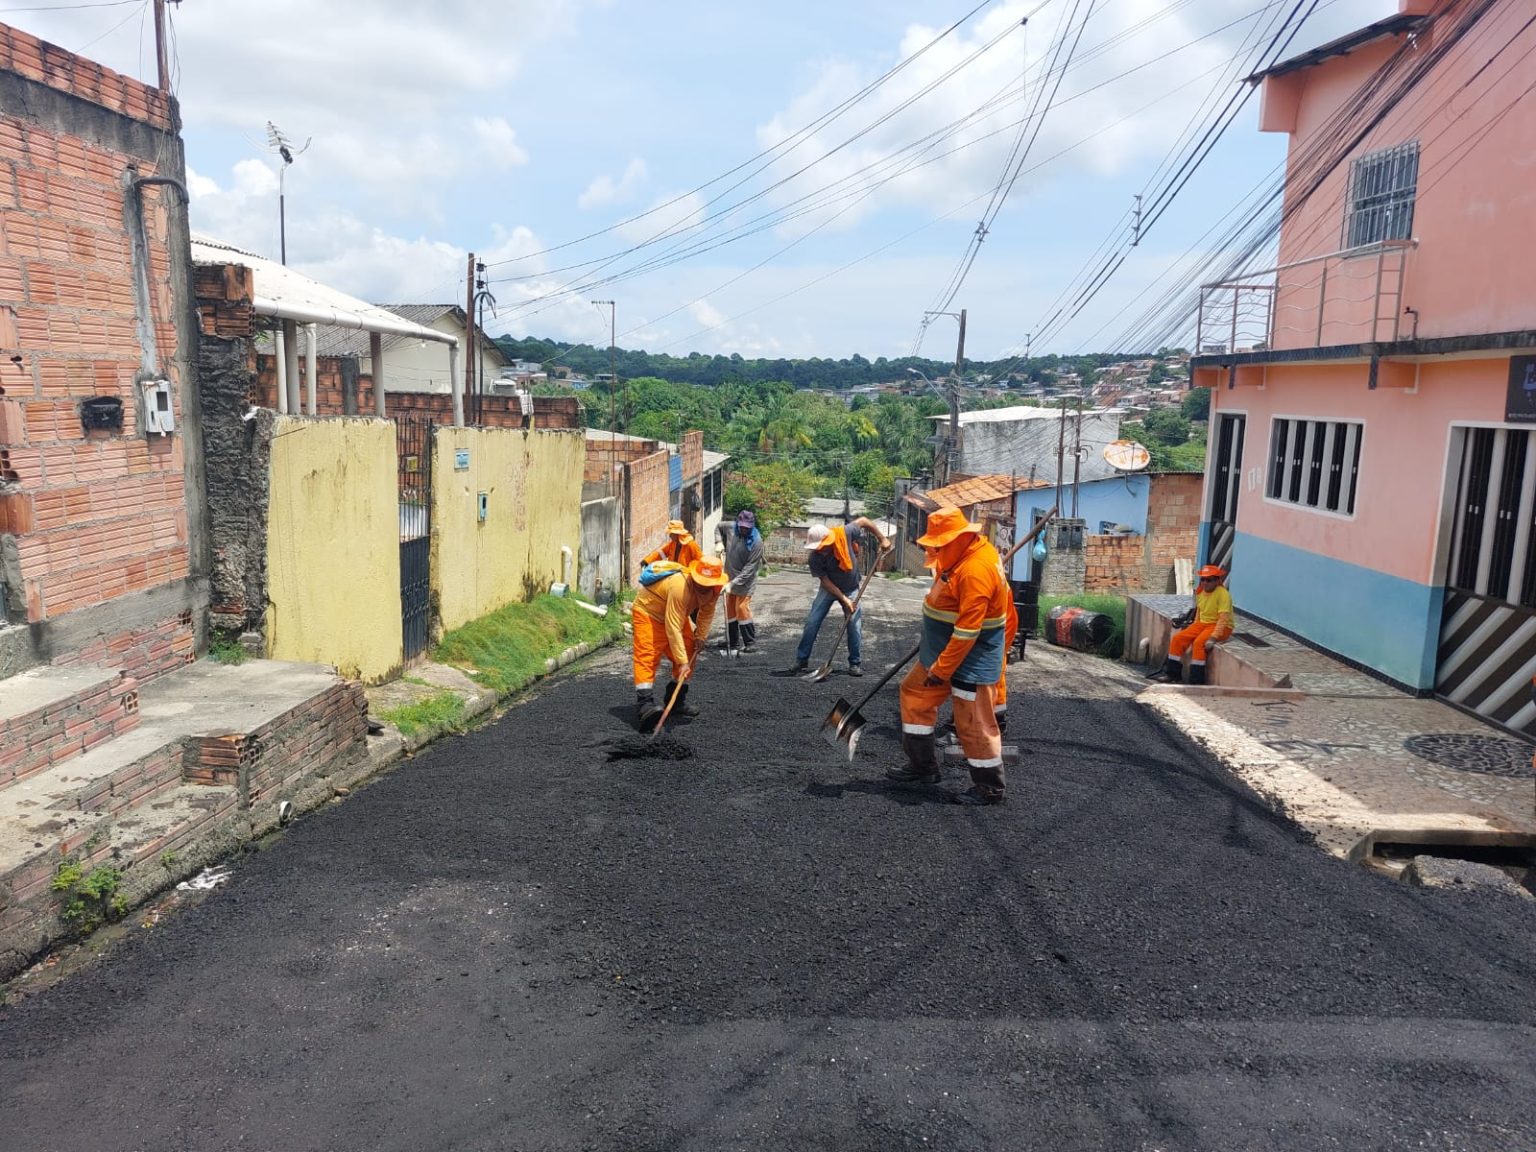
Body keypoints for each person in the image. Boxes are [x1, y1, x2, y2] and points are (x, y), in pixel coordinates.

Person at [888, 507, 1012, 805]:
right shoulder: (964, 555)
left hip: (969, 657)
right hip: (941, 650)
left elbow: (968, 632)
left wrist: (941, 670)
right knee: (914, 694)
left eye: (940, 545)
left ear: (960, 538)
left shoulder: (975, 570)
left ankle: (989, 787)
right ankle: (923, 767)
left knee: (973, 721)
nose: (936, 550)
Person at [630, 555, 727, 728]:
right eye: (701, 582)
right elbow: (673, 627)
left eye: (708, 583)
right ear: (694, 576)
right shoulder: (679, 586)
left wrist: (701, 636)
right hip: (649, 612)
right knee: (647, 655)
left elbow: (707, 612)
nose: (703, 586)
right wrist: (682, 662)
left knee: (690, 649)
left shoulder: (715, 589)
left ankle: (675, 700)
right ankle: (645, 704)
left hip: (676, 615)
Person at [786, 516, 890, 676]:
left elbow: (864, 521)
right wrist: (844, 599)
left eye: (822, 546)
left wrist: (882, 538)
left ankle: (855, 663)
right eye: (817, 547)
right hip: (829, 589)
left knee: (854, 625)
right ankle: (801, 659)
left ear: (828, 539)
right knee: (812, 622)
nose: (820, 549)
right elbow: (825, 581)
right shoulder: (814, 558)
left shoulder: (845, 533)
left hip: (851, 588)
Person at [1151, 564, 1233, 685]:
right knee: (1178, 639)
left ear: (1217, 581)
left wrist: (1213, 637)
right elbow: (1199, 611)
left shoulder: (1223, 594)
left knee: (1199, 643)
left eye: (1209, 580)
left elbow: (1223, 619)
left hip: (1221, 626)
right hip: (1202, 624)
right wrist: (1193, 627)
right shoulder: (1201, 591)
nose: (1205, 583)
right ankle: (1172, 674)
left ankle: (1196, 681)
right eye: (1203, 579)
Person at [718, 509, 764, 657]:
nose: (744, 530)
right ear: (738, 523)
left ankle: (750, 642)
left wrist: (732, 584)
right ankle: (733, 642)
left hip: (746, 581)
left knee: (742, 608)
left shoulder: (757, 542)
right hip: (729, 576)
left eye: (747, 527)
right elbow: (718, 527)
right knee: (730, 609)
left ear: (752, 525)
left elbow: (749, 569)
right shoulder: (731, 528)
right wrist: (718, 542)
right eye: (742, 526)